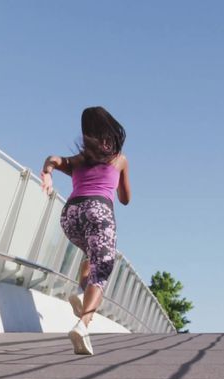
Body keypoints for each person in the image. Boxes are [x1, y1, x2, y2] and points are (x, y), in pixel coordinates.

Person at [41, 106, 131, 355]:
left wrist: (48, 174)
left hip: (70, 215)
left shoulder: (78, 160)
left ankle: (82, 293)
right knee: (102, 269)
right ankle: (83, 325)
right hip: (99, 211)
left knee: (91, 255)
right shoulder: (119, 159)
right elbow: (125, 199)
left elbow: (53, 158)